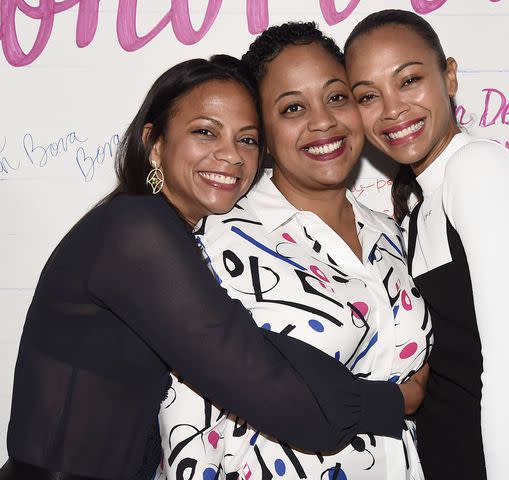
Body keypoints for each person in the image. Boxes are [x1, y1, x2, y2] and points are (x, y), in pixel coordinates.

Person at [0, 55, 423, 480]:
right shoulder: (136, 232)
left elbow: (258, 349)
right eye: (206, 132)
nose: (232, 156)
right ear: (155, 143)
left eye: (248, 140)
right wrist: (400, 400)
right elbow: (264, 383)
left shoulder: (168, 232)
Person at [344, 9, 509, 480]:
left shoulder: (478, 170)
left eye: (408, 80)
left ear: (449, 76)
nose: (392, 109)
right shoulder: (410, 216)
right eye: (369, 95)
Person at [156, 24, 431, 480]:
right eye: (293, 108)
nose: (323, 121)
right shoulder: (214, 241)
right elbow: (185, 425)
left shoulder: (391, 233)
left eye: (337, 97)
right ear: (262, 132)